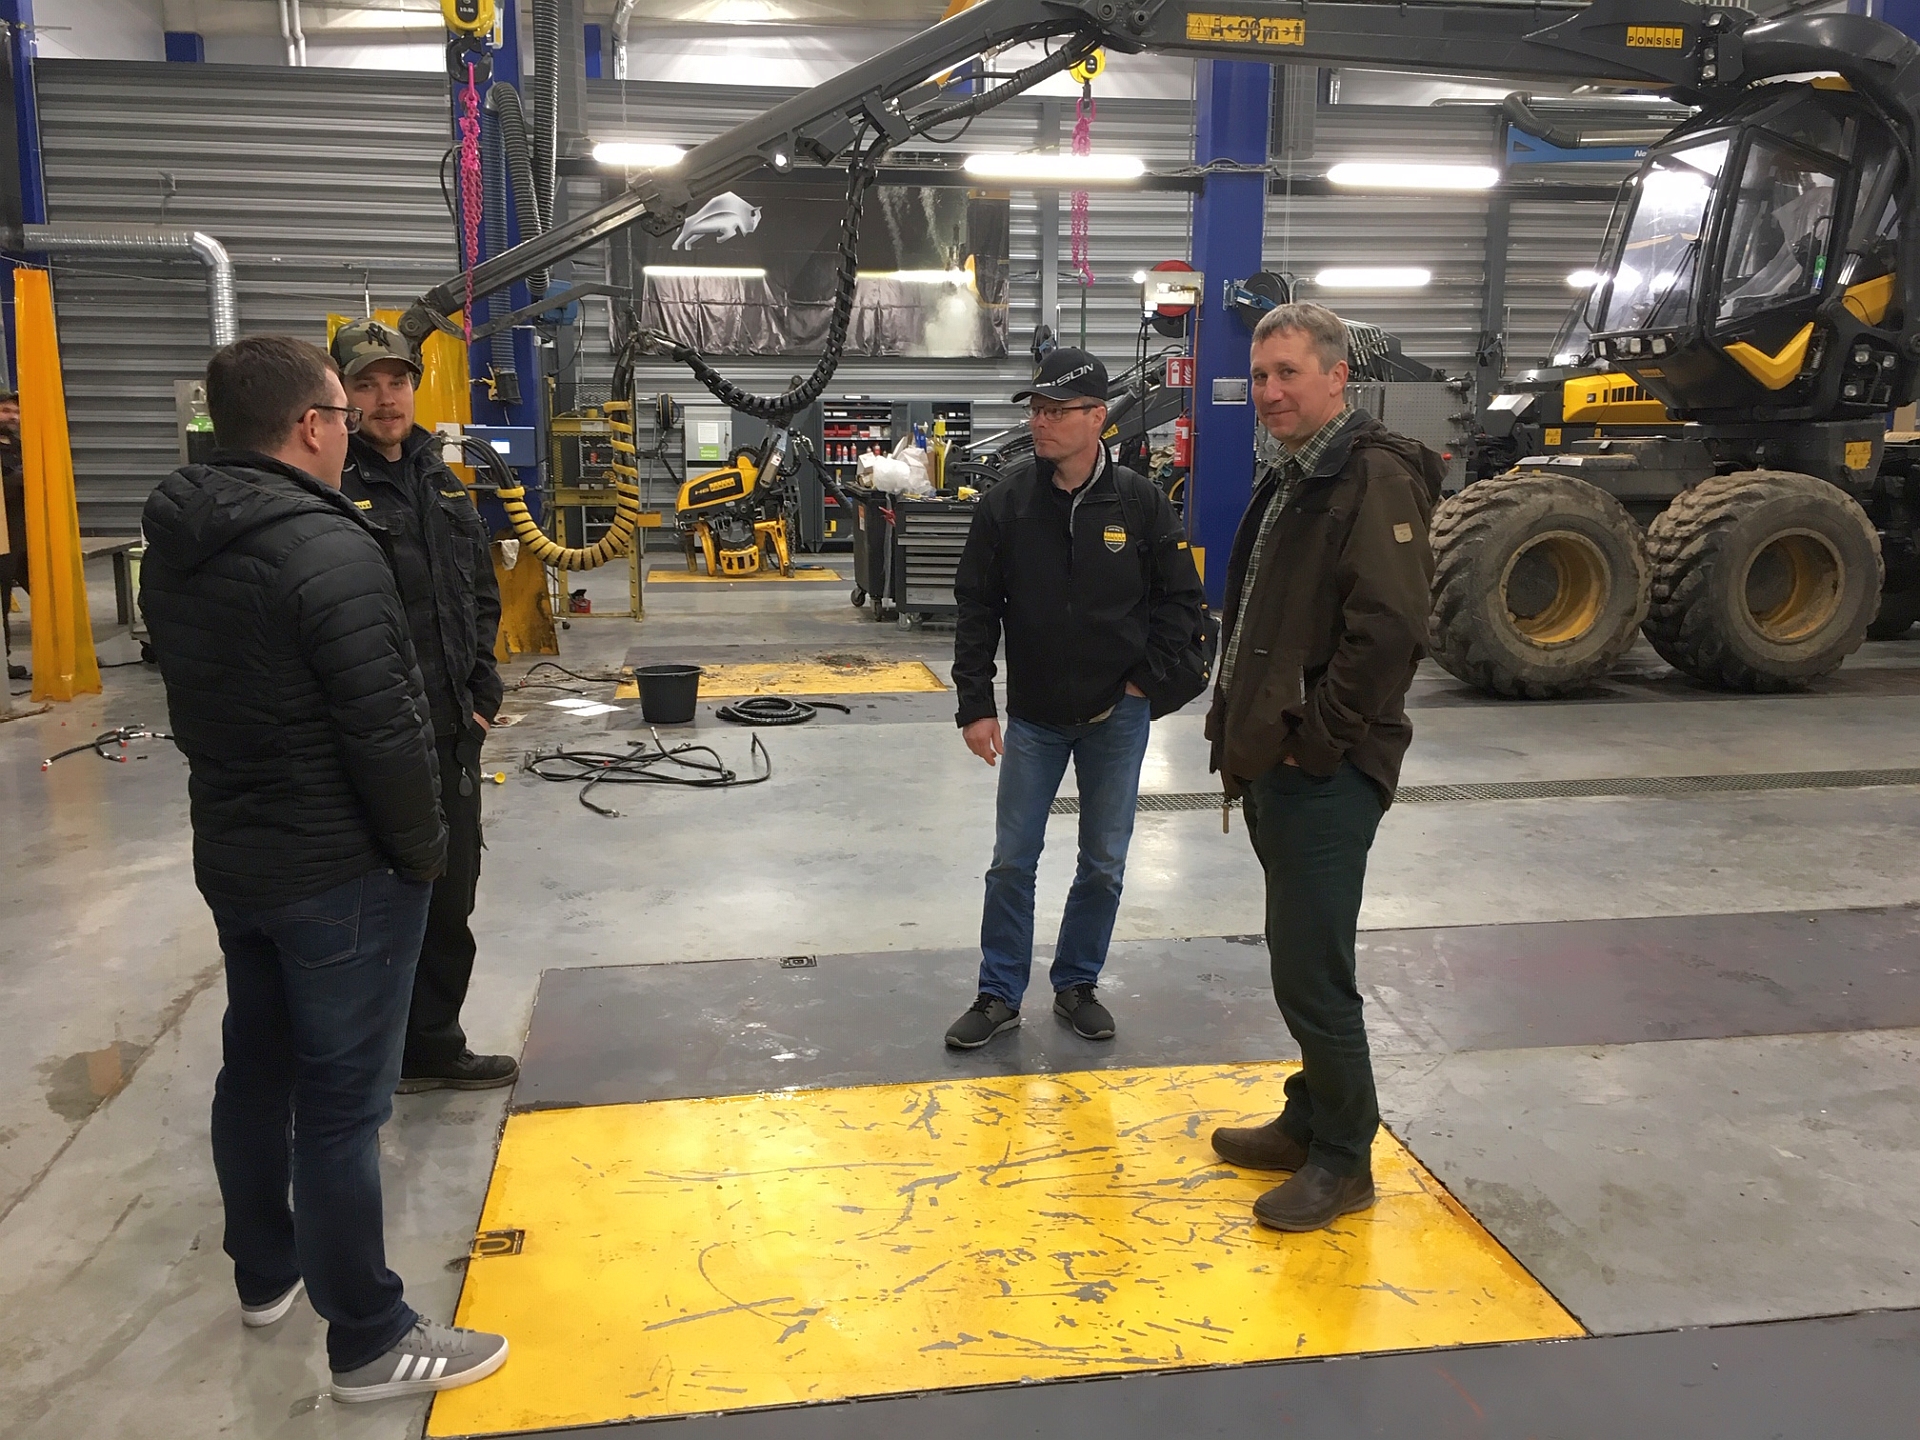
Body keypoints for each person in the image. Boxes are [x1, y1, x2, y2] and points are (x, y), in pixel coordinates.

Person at [140, 335, 508, 1402]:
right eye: (346, 410)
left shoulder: (180, 536)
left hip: (239, 851)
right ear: (310, 425)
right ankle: (369, 1339)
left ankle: (266, 1271)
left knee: (257, 1072)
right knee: (343, 1108)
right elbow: (383, 733)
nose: (356, 425)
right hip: (339, 868)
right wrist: (424, 855)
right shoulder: (327, 545)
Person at [1204, 303, 1440, 1234]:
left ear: (1337, 376)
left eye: (1288, 373)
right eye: (1262, 376)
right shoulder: (1297, 473)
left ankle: (1344, 1159)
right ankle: (1309, 1118)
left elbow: (1390, 628)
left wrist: (1320, 742)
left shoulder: (1370, 476)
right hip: (1279, 757)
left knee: (1314, 972)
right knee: (1297, 953)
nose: (1270, 392)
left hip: (1325, 771)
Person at [946, 347, 1207, 1049]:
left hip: (1116, 716)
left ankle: (1077, 984)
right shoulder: (1007, 505)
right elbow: (976, 606)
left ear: (1097, 418)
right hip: (1033, 717)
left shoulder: (1140, 503)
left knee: (1103, 862)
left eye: (1057, 411)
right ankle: (999, 993)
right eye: (1036, 410)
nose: (1041, 423)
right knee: (1012, 860)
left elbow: (1181, 601)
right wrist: (976, 703)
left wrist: (1144, 682)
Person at [330, 319, 513, 1094]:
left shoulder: (441, 479)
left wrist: (481, 696)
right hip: (376, 738)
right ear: (340, 396)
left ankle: (432, 1044)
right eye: (367, 384)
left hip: (451, 730)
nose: (386, 399)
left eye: (397, 382)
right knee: (377, 903)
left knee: (450, 897)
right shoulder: (329, 487)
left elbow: (480, 593)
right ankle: (366, 1057)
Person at [1, 390, 26, 680]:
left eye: (16, 412)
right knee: (2, 600)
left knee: (50, 596)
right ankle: (2, 661)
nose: (13, 417)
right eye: (6, 411)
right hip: (3, 538)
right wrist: (19, 479)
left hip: (24, 537)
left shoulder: (19, 445)